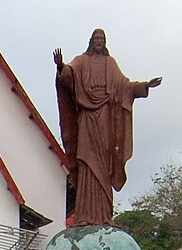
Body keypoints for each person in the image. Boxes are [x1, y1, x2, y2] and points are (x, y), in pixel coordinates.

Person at [54, 29, 162, 227]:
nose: (99, 42)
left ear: (105, 43)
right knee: (86, 161)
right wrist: (61, 67)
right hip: (87, 117)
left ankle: (104, 215)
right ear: (91, 41)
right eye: (96, 39)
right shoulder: (82, 61)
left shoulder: (110, 64)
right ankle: (84, 215)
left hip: (105, 118)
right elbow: (70, 75)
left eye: (102, 39)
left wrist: (145, 85)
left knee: (103, 163)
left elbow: (125, 86)